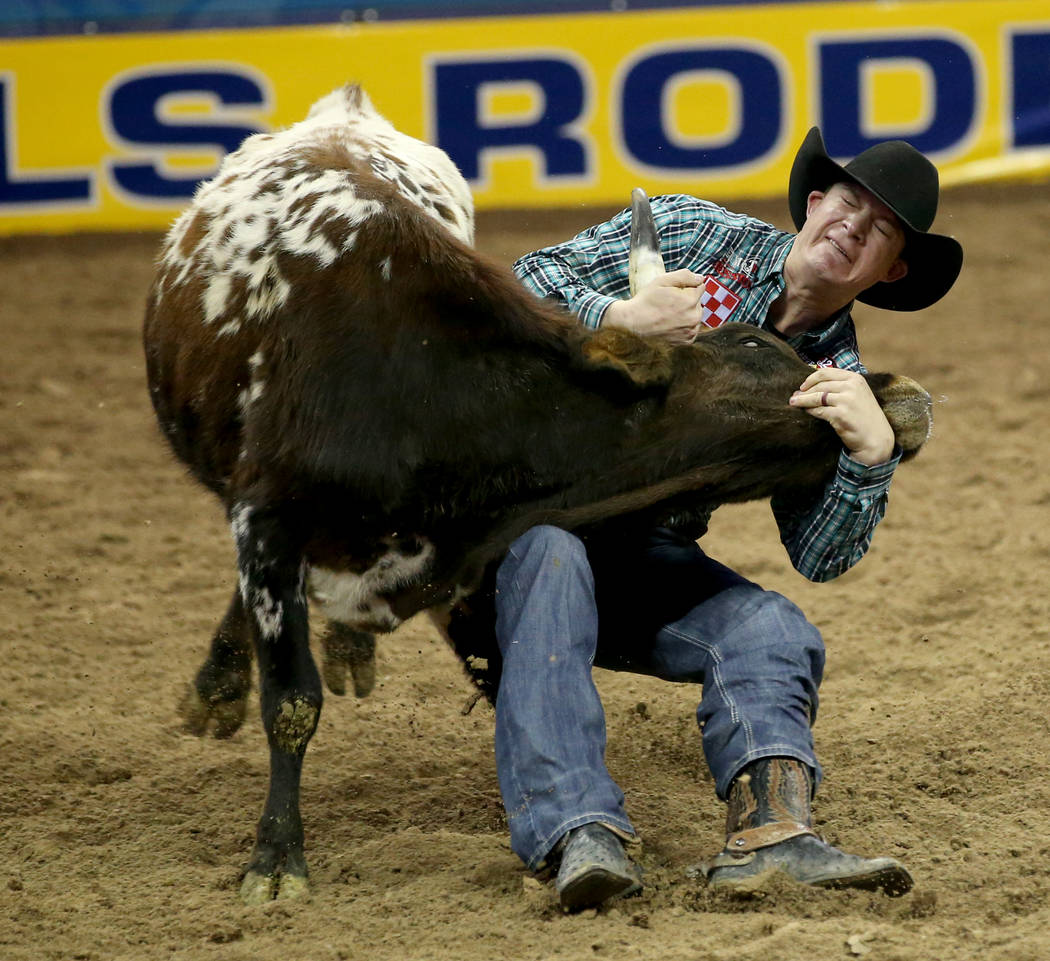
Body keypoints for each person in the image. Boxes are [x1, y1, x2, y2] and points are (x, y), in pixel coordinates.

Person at [492, 128, 963, 911]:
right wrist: (612, 314)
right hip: (525, 519)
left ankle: (774, 832)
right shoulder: (687, 233)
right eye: (848, 202)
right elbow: (514, 284)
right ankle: (576, 827)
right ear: (814, 206)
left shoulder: (835, 381)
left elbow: (817, 557)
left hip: (645, 555)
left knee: (774, 630)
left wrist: (868, 456)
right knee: (551, 555)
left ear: (892, 270)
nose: (854, 223)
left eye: (881, 228)